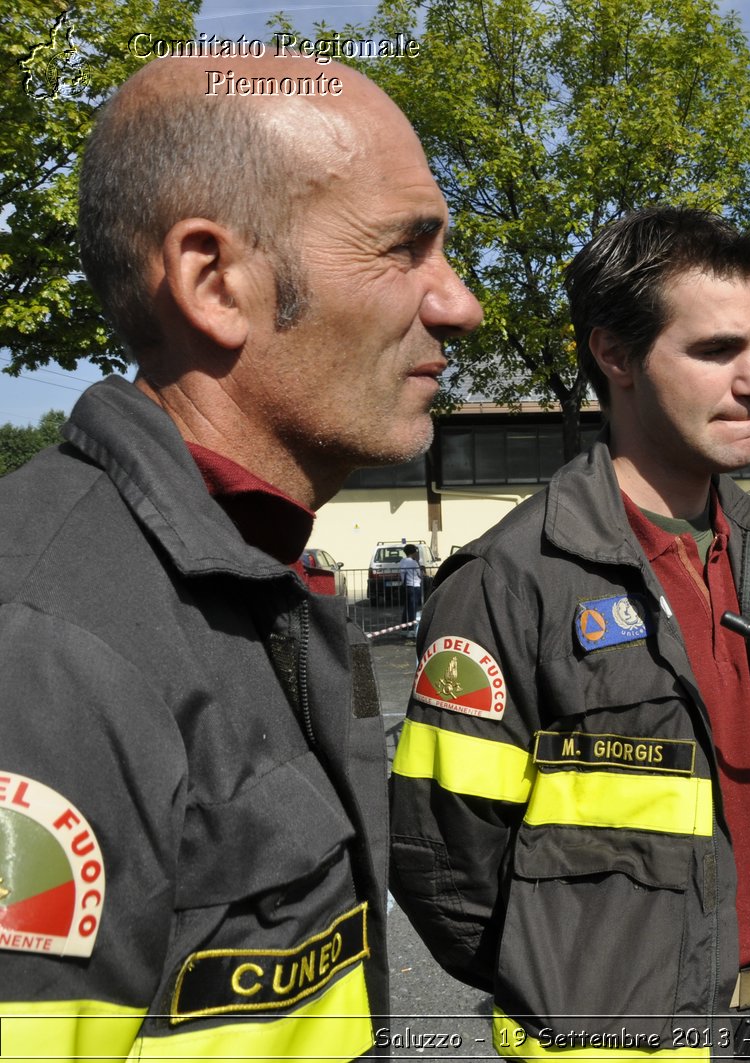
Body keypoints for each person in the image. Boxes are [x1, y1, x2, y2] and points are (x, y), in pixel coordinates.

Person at [0, 54, 481, 1057]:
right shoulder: (40, 652)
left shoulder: (255, 578)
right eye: (407, 249)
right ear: (216, 281)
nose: (459, 304)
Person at [389, 207, 750, 1059]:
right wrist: (574, 986)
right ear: (614, 355)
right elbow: (442, 859)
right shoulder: (511, 576)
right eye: (717, 350)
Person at [400, 542, 425, 627]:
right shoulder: (414, 563)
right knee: (413, 608)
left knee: (406, 608)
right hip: (415, 586)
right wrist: (418, 562)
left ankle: (404, 627)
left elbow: (402, 574)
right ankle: (411, 628)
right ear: (413, 552)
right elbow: (420, 574)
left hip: (407, 586)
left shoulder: (402, 561)